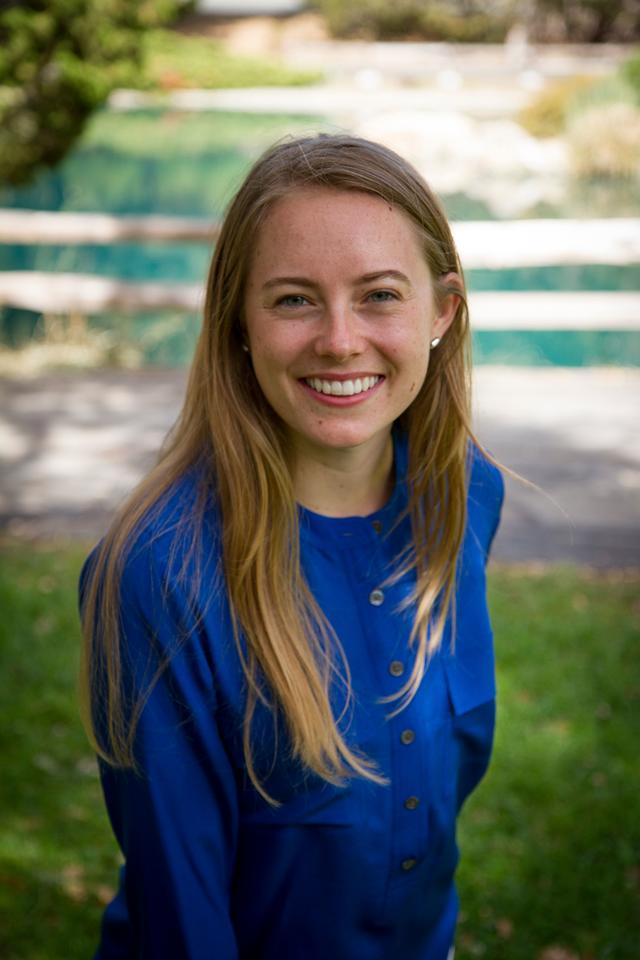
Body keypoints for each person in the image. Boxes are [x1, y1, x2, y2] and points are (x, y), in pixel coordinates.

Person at [79, 133, 504, 960]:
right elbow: (182, 921)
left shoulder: (464, 497)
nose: (340, 340)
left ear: (442, 311)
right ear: (238, 318)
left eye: (380, 295)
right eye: (294, 300)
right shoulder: (159, 572)